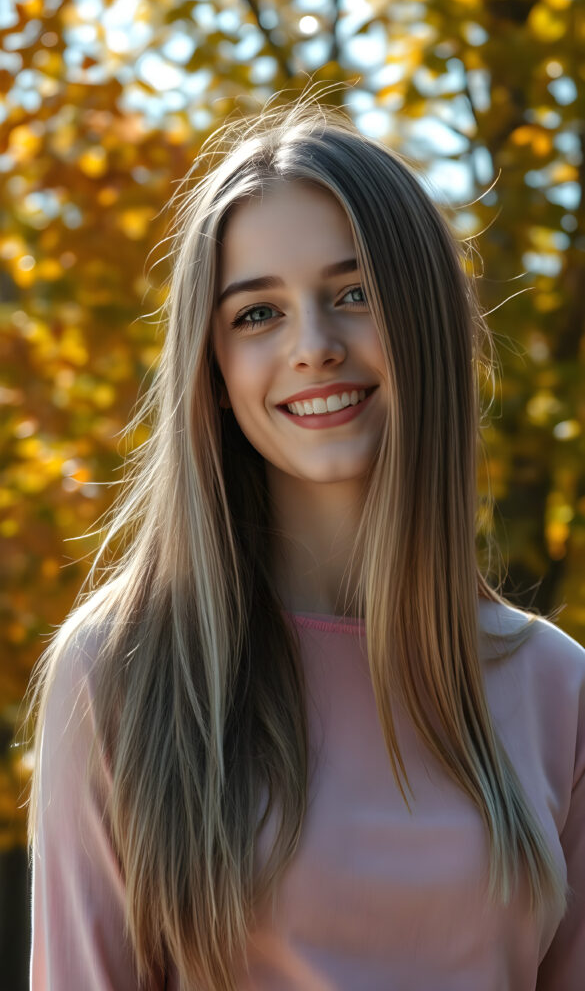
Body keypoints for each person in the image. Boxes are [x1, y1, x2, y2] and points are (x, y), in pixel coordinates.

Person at [27, 87, 585, 991]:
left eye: (353, 292)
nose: (313, 345)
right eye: (257, 313)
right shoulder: (117, 673)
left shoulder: (557, 690)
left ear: (427, 322)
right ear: (211, 369)